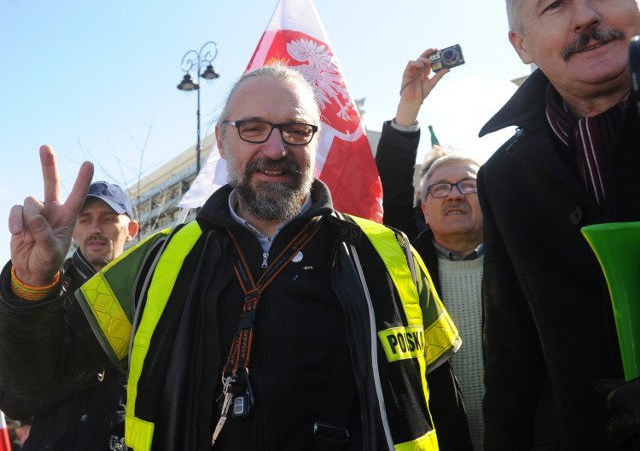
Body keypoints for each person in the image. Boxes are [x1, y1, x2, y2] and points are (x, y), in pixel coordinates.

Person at [0, 64, 462, 450]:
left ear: (315, 142)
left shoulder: (386, 253)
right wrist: (33, 283)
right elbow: (31, 387)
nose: (276, 148)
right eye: (254, 128)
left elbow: (445, 405)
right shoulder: (154, 262)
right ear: (223, 142)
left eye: (296, 130)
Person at [477, 0, 640, 449]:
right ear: (521, 45)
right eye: (555, 4)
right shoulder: (503, 178)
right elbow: (511, 356)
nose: (586, 16)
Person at [376, 51, 484, 450]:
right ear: (422, 207)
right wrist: (409, 108)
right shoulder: (407, 266)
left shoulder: (521, 256)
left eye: (468, 185)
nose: (454, 196)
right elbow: (390, 186)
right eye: (439, 188)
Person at [0, 181, 139, 450]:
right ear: (74, 231)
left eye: (108, 218)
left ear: (132, 229)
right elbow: (13, 399)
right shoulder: (43, 290)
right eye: (84, 219)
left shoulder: (151, 289)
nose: (95, 229)